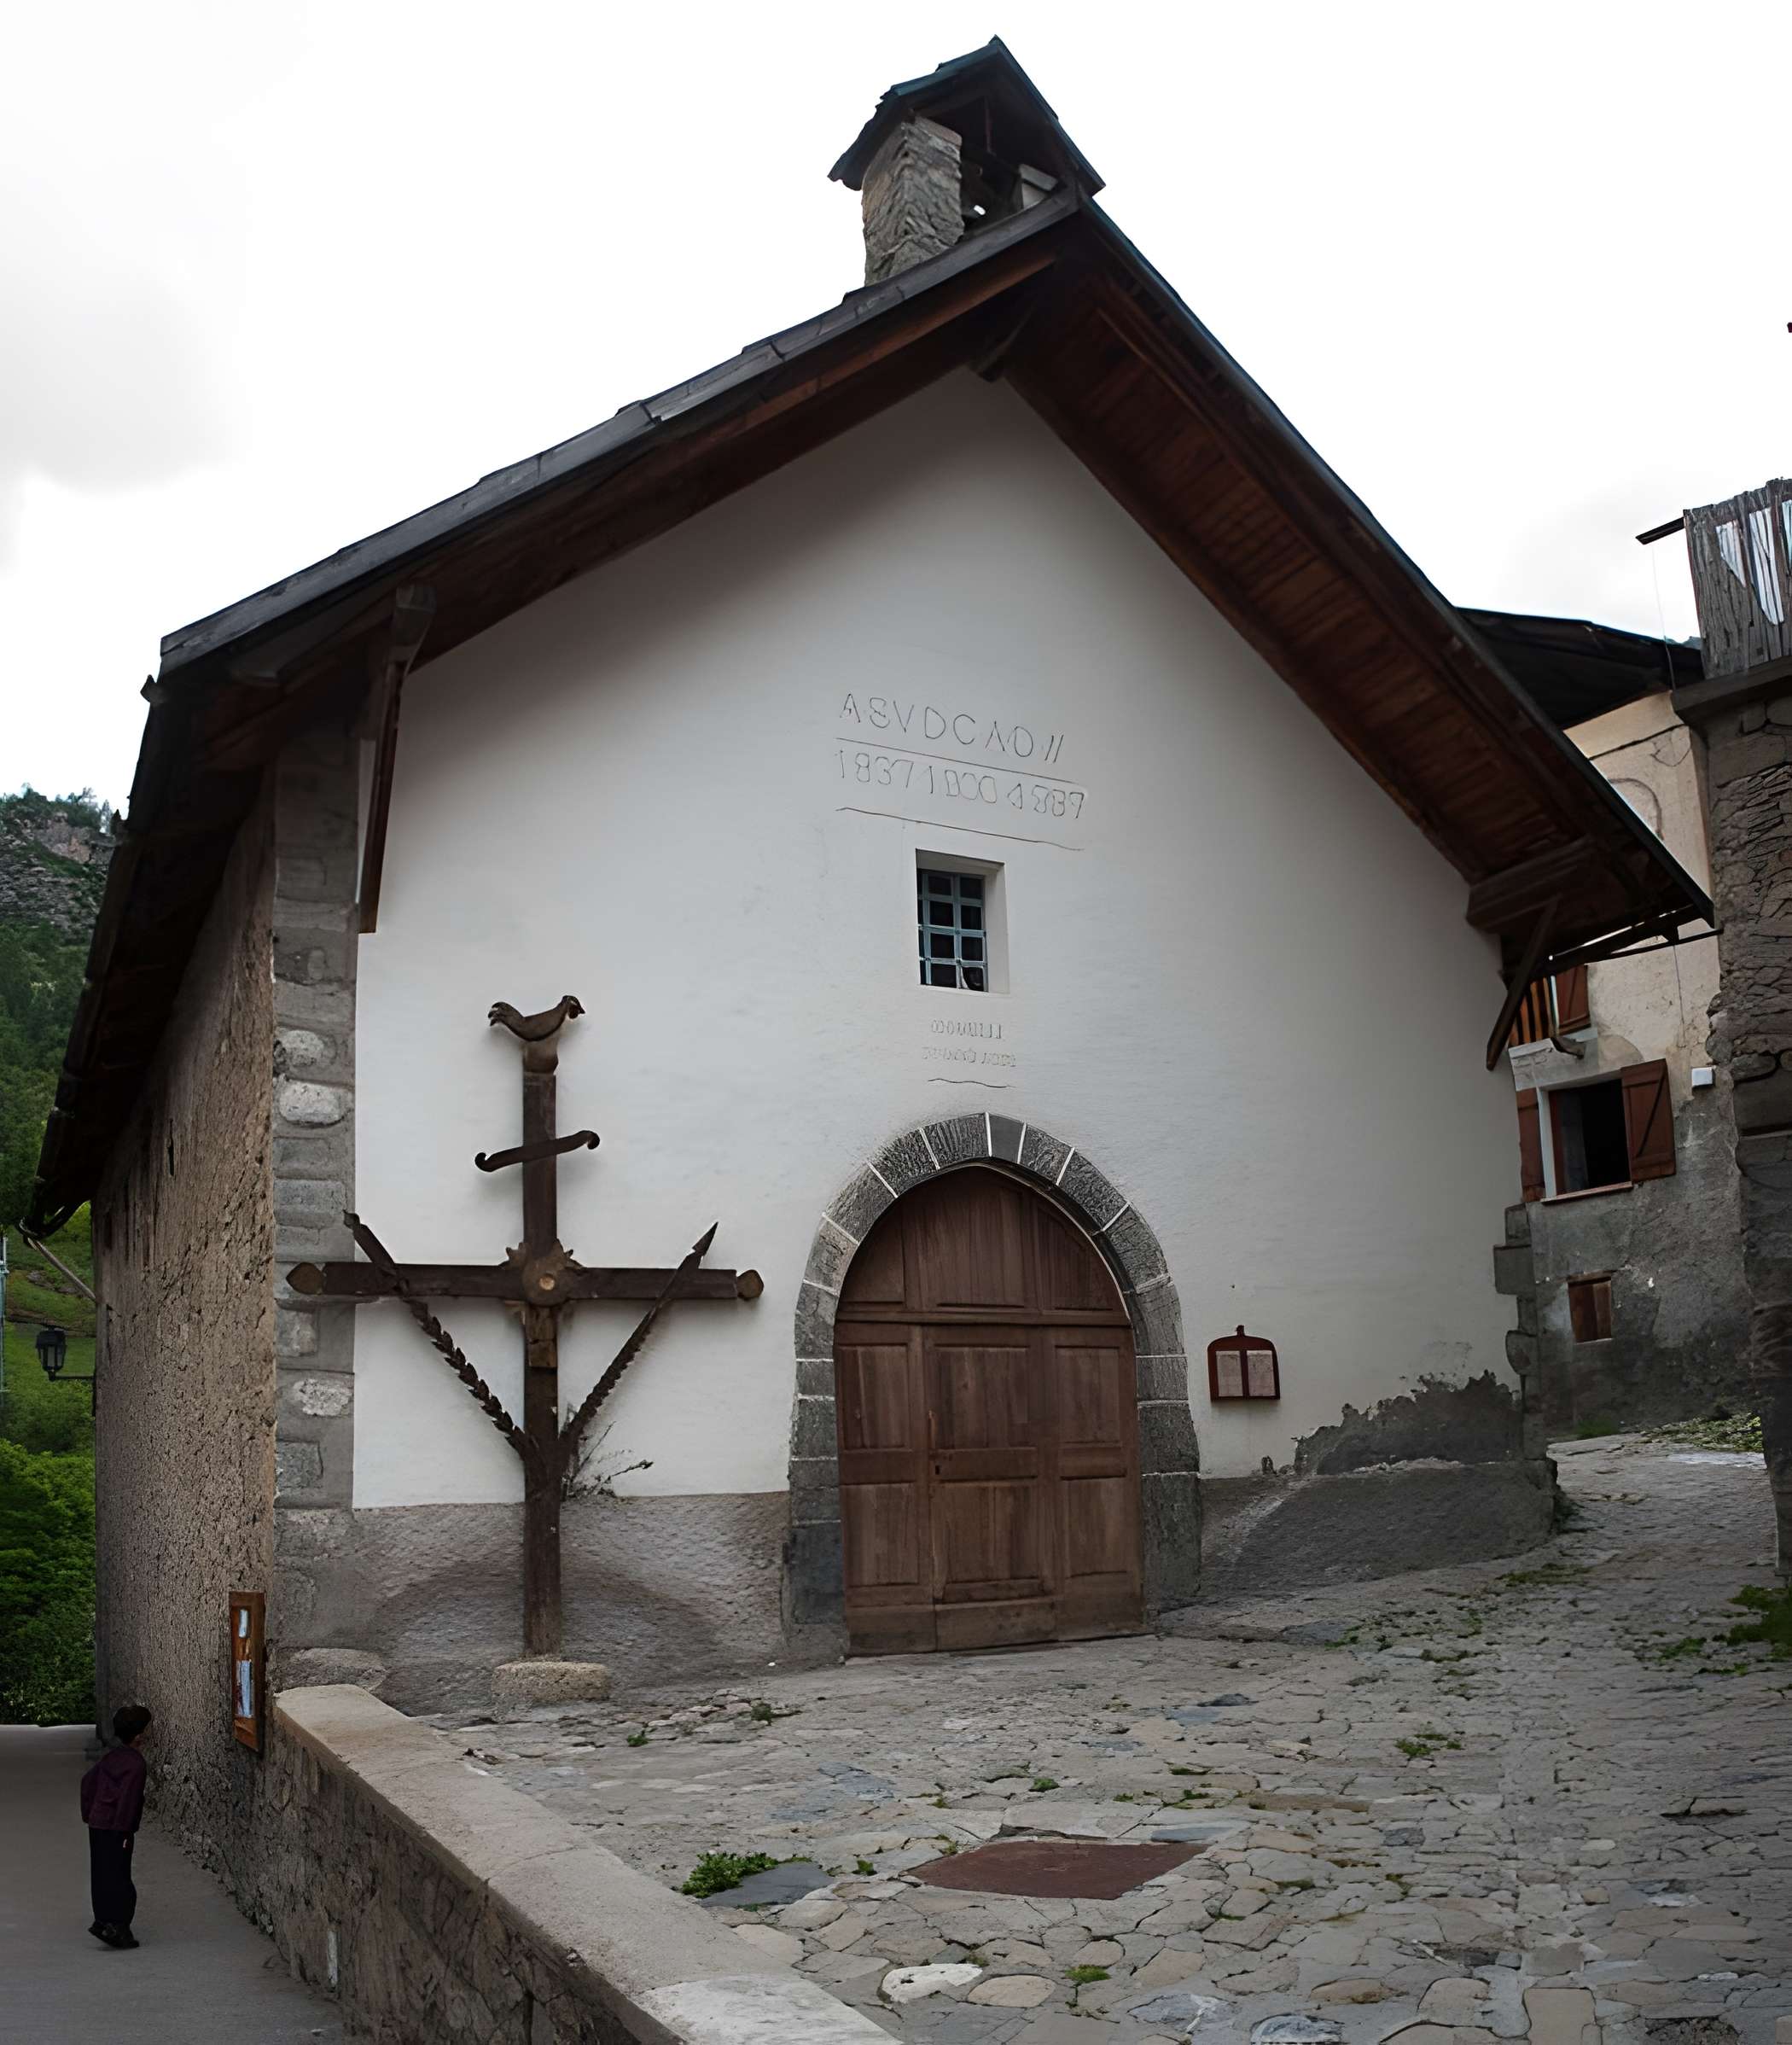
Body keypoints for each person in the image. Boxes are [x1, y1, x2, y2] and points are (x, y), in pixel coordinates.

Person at [79, 1704, 153, 1949]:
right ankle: (118, 1927)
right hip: (116, 1827)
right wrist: (126, 1831)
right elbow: (129, 1801)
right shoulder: (136, 1764)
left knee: (101, 1873)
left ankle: (102, 1921)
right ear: (140, 1736)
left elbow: (87, 1782)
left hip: (98, 1822)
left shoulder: (111, 1757)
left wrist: (89, 1812)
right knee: (120, 1877)